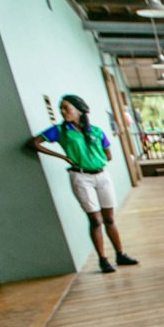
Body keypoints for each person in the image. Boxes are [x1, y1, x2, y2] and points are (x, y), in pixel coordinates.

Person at [29, 94, 138, 273]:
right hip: (81, 177)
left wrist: (95, 158)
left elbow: (108, 154)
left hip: (101, 175)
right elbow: (34, 143)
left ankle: (120, 254)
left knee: (109, 218)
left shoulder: (95, 131)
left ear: (79, 109)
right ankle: (103, 259)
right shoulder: (60, 131)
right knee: (95, 219)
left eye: (67, 108)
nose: (63, 112)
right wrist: (63, 156)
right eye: (61, 108)